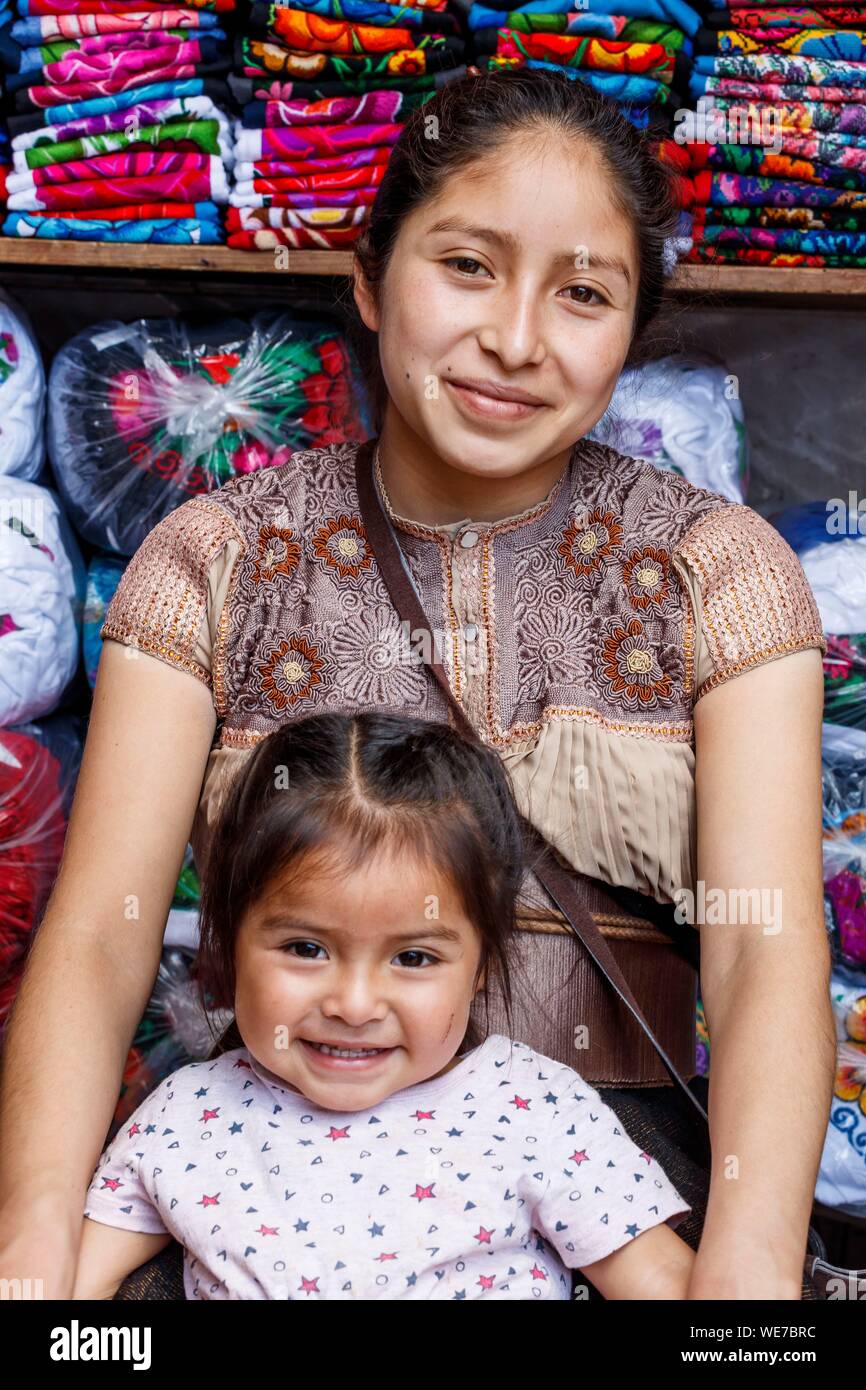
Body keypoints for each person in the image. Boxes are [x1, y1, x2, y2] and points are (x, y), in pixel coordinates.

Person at [0, 68, 833, 1302]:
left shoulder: (718, 569)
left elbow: (764, 954)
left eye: (582, 293)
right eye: (467, 265)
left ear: (631, 326)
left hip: (620, 1189)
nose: (514, 339)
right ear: (368, 277)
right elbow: (101, 938)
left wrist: (744, 1279)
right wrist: (34, 1265)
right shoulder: (211, 558)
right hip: (270, 1191)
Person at [72, 711, 695, 1301]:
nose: (355, 1004)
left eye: (414, 959)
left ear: (479, 967)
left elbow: (668, 1288)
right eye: (306, 947)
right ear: (232, 942)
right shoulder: (188, 1118)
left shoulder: (534, 1107)